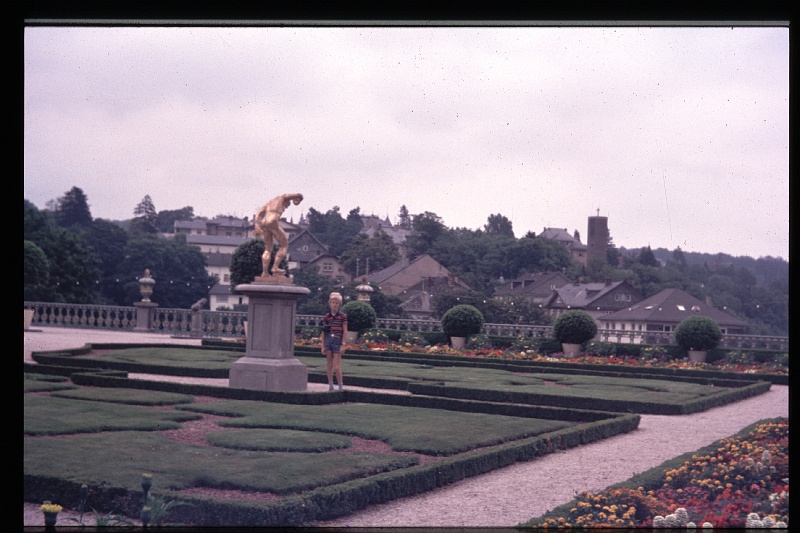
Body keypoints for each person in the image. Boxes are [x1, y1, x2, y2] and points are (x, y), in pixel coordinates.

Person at [253, 193, 304, 277]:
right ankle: (275, 267)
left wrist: (257, 225)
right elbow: (298, 194)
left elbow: (258, 214)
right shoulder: (282, 198)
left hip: (264, 222)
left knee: (268, 248)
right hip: (272, 221)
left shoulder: (269, 203)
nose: (286, 207)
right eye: (287, 205)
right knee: (284, 245)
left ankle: (265, 272)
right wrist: (299, 199)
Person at [321, 292, 347, 391]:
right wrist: (322, 345)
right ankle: (330, 384)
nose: (334, 304)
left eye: (336, 303)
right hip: (328, 340)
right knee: (329, 364)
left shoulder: (342, 316)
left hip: (337, 340)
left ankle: (340, 385)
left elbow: (345, 330)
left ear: (339, 304)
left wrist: (343, 344)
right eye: (333, 302)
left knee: (336, 366)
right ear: (330, 303)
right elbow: (324, 332)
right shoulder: (326, 317)